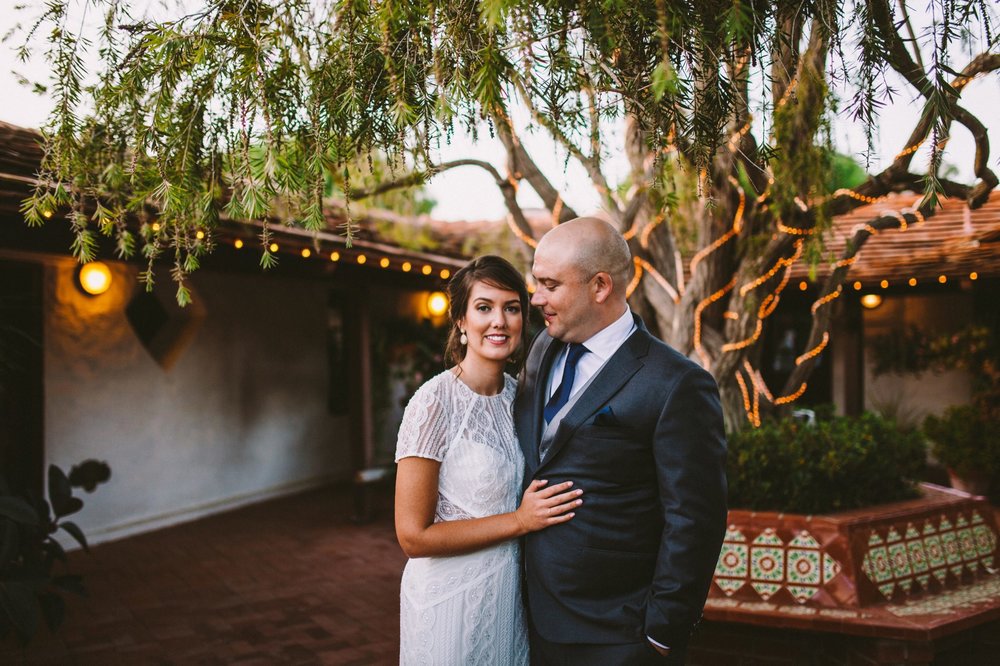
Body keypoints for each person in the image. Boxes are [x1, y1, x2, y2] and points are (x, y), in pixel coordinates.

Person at [516, 217, 728, 665]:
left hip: (617, 635)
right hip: (528, 618)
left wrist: (661, 633)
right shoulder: (543, 349)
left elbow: (695, 519)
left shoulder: (676, 384)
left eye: (550, 285)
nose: (536, 299)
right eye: (536, 283)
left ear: (599, 286)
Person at [394, 255, 583, 665]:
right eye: (483, 308)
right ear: (461, 321)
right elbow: (412, 536)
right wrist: (520, 520)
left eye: (511, 308)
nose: (499, 320)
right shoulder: (433, 403)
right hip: (449, 599)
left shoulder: (524, 398)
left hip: (508, 597)